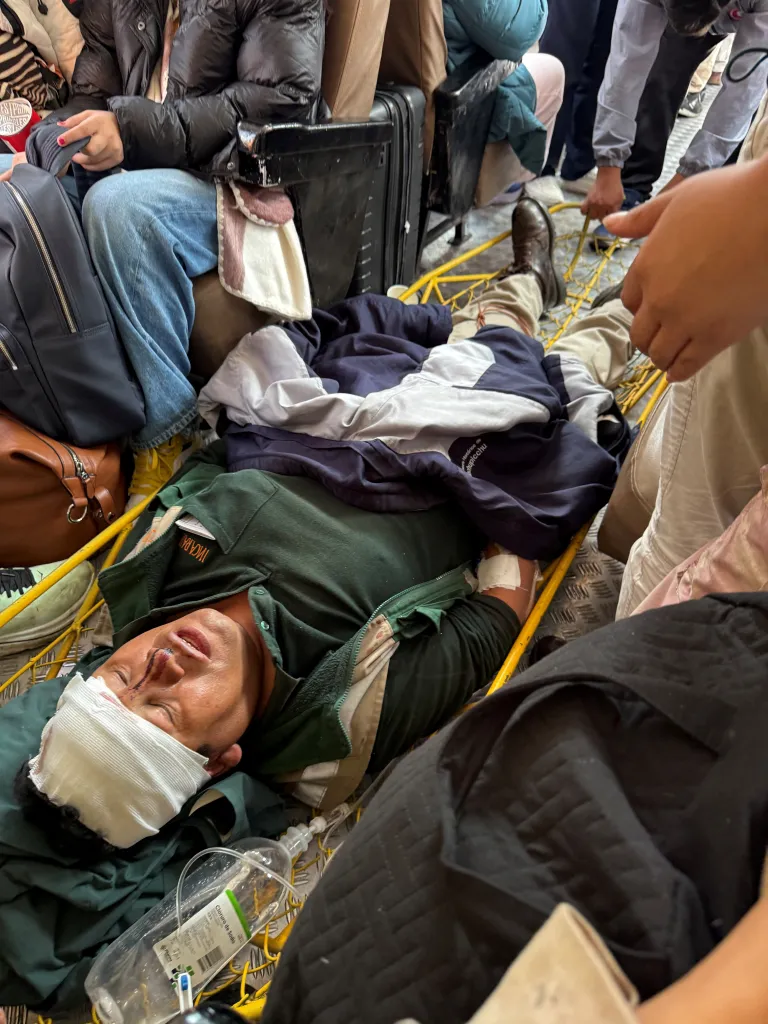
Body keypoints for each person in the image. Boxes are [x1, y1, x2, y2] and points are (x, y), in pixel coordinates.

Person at [0, 0, 326, 502]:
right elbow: (91, 90)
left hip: (225, 178)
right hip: (130, 160)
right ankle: (66, 420)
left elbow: (277, 100)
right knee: (25, 203)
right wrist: (47, 144)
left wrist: (129, 133)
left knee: (117, 205)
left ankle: (170, 434)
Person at [583, 0, 768, 223]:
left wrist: (685, 180)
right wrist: (608, 165)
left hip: (757, 16)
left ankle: (705, 209)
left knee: (753, 129)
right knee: (659, 77)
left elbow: (741, 96)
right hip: (683, 11)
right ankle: (633, 189)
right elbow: (625, 66)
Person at [442, 0, 567, 209]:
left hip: (395, 83)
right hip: (453, 105)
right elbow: (520, 34)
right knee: (554, 70)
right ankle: (510, 184)